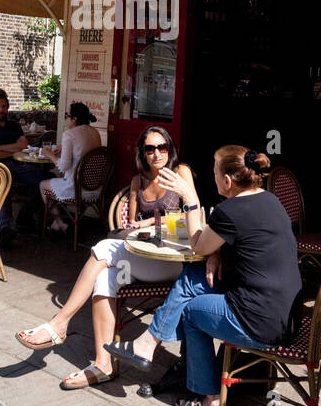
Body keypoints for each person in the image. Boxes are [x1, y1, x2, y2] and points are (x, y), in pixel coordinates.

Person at [103, 146, 302, 406]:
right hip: (287, 316)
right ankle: (147, 344)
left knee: (191, 311)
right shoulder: (270, 200)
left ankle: (210, 401)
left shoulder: (229, 210)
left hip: (260, 322)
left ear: (228, 181)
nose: (214, 178)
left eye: (215, 173)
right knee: (196, 275)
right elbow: (242, 243)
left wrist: (190, 196)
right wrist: (216, 253)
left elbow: (197, 242)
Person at [17, 126, 197, 389]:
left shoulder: (181, 173)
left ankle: (60, 323)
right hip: (145, 256)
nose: (157, 153)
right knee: (104, 276)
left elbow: (190, 213)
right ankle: (103, 364)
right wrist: (138, 227)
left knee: (102, 249)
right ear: (143, 153)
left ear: (169, 149)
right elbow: (133, 222)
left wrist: (149, 222)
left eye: (162, 147)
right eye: (150, 149)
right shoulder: (138, 181)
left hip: (172, 261)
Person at [0, 89, 46, 242]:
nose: (1, 110)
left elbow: (24, 145)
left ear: (7, 108)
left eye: (3, 106)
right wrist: (14, 149)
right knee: (5, 179)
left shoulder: (14, 126)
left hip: (18, 166)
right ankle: (5, 228)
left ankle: (24, 216)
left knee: (43, 178)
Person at [38, 102, 103, 233]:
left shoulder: (70, 134)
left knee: (42, 185)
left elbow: (63, 167)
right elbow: (83, 156)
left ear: (74, 119)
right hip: (95, 188)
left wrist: (49, 154)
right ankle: (59, 224)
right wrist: (62, 152)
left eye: (67, 116)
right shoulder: (95, 132)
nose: (65, 119)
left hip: (76, 189)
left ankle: (59, 222)